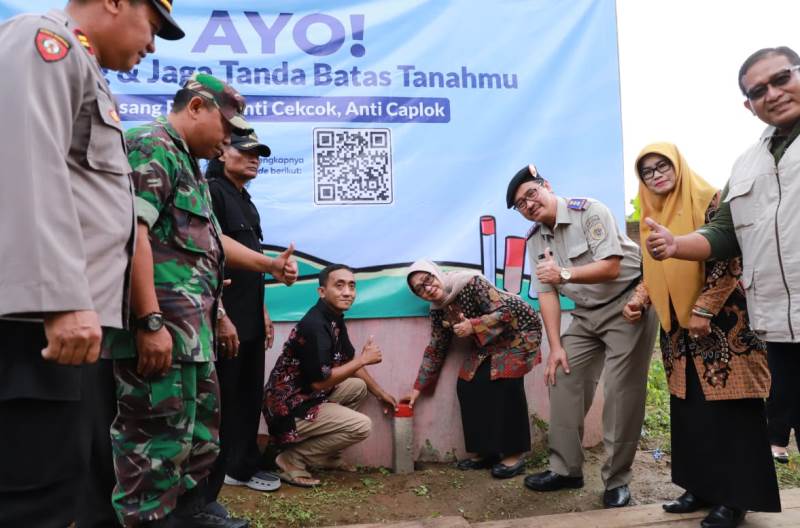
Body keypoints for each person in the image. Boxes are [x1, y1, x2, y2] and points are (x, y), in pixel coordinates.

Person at [0, 1, 182, 527]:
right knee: (32, 497)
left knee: (60, 483)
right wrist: (60, 298)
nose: (151, 44)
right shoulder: (45, 44)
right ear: (115, 2)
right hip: (34, 327)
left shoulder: (84, 71)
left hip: (60, 330)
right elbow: (26, 163)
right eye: (152, 27)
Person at [106, 73, 298, 528]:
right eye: (227, 128)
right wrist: (149, 321)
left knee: (198, 440)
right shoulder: (150, 145)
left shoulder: (189, 163)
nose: (229, 138)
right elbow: (133, 236)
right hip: (161, 333)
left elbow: (212, 243)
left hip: (194, 334)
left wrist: (264, 268)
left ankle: (190, 514)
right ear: (196, 107)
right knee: (154, 445)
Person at [645, 46, 800, 470]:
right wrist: (676, 246)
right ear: (748, 105)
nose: (773, 93)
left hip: (726, 329)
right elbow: (725, 233)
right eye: (758, 90)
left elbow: (725, 269)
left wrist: (702, 307)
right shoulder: (748, 164)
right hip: (783, 327)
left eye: (782, 79)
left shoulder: (706, 193)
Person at [626, 143, 779, 528]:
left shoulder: (711, 199)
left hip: (723, 324)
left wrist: (704, 307)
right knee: (691, 410)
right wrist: (639, 299)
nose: (656, 174)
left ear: (678, 165)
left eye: (663, 166)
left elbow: (731, 257)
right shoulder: (652, 212)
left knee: (731, 412)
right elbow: (653, 268)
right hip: (678, 331)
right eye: (647, 171)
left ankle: (736, 498)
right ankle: (701, 488)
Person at [507, 164, 658, 508]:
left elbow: (612, 267)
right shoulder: (535, 238)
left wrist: (563, 272)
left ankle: (617, 480)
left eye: (531, 193)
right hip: (586, 315)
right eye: (520, 204)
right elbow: (546, 292)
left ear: (546, 186)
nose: (529, 204)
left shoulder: (589, 211)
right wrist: (556, 346)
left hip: (627, 306)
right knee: (561, 376)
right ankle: (565, 470)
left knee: (621, 393)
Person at [402, 260, 542, 478]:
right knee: (468, 384)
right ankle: (488, 452)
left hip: (520, 333)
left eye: (427, 280)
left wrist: (473, 325)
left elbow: (506, 312)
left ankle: (514, 456)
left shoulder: (470, 282)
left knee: (505, 381)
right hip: (489, 343)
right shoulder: (439, 311)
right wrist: (417, 388)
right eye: (420, 289)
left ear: (437, 274)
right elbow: (436, 349)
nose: (427, 288)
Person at [263, 264, 397, 487]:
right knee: (362, 426)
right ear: (322, 292)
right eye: (339, 285)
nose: (347, 292)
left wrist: (380, 393)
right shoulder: (315, 325)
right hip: (288, 407)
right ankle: (290, 459)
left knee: (358, 387)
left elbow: (349, 361)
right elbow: (319, 382)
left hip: (306, 396)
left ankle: (327, 456)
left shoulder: (334, 317)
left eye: (352, 286)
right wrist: (363, 359)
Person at [203, 133, 281, 497]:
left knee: (249, 394)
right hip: (224, 319)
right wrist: (221, 313)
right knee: (226, 396)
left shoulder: (244, 199)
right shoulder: (211, 191)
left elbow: (250, 263)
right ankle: (225, 470)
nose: (254, 159)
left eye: (258, 155)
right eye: (245, 152)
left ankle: (244, 462)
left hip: (249, 316)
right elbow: (209, 255)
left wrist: (262, 308)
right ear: (222, 153)